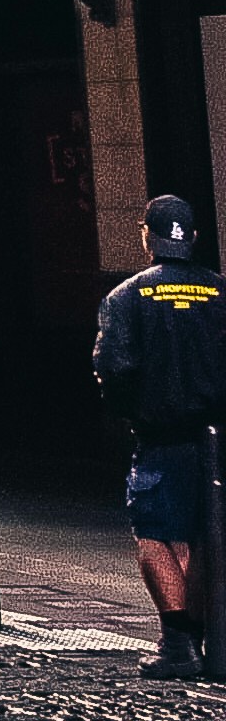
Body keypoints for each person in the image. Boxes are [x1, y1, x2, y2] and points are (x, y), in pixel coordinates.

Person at [93, 190, 226, 679]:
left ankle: (178, 642)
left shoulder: (127, 296)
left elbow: (113, 368)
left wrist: (134, 415)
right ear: (191, 237)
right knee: (205, 536)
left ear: (146, 236)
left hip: (162, 437)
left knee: (154, 536)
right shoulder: (221, 290)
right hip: (217, 438)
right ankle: (205, 637)